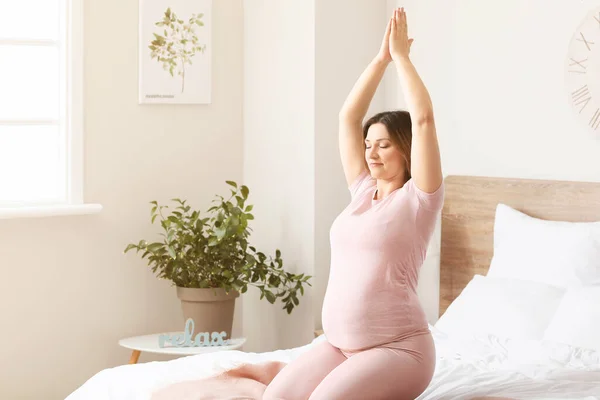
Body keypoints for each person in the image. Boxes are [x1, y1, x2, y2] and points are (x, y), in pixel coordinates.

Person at [263, 7, 443, 400]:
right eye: (368, 145)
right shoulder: (362, 191)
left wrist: (402, 60)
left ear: (407, 149)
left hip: (399, 350)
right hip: (340, 346)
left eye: (384, 145)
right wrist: (380, 60)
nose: (372, 153)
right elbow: (348, 116)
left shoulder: (419, 199)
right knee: (274, 398)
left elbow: (425, 118)